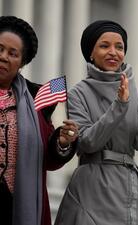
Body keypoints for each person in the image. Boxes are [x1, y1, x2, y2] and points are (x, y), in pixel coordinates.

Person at [54, 20, 138, 225]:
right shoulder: (78, 93)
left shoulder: (136, 95)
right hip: (94, 186)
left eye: (119, 47)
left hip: (131, 188)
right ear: (91, 52)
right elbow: (87, 142)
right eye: (104, 46)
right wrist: (119, 105)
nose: (113, 52)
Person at [0, 16, 79, 225]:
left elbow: (48, 160)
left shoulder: (37, 99)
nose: (3, 57)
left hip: (16, 206)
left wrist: (62, 142)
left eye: (12, 53)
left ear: (22, 63)